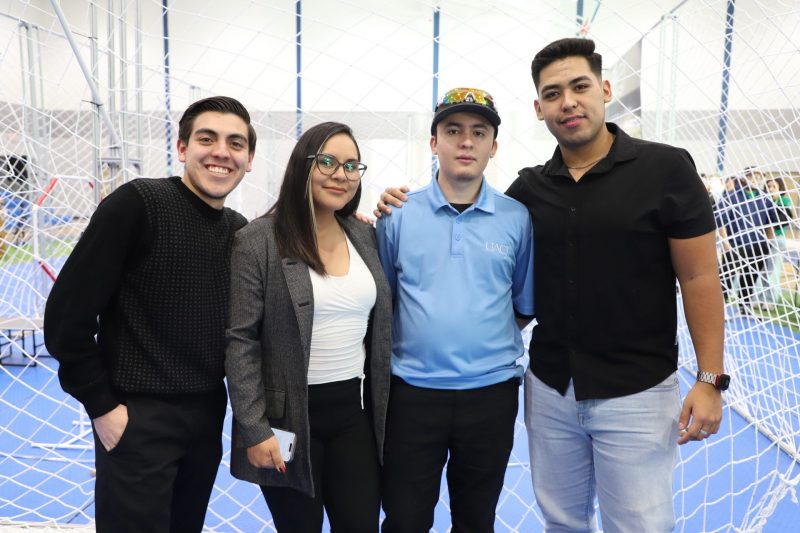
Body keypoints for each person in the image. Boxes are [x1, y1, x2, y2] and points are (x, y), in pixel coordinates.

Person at [378, 39, 726, 533]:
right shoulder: (528, 191)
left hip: (635, 391)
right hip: (550, 389)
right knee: (561, 522)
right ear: (539, 108)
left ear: (605, 90)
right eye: (553, 93)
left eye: (580, 86)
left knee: (640, 526)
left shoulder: (665, 169)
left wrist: (710, 379)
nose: (569, 102)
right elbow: (481, 276)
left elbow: (699, 276)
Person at [43, 96, 255, 533]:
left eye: (235, 143)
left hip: (206, 417)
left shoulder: (238, 230)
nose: (221, 152)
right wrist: (103, 407)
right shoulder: (139, 203)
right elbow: (66, 318)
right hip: (137, 418)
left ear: (248, 159)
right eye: (207, 139)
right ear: (182, 148)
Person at [375, 88, 534, 532]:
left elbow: (522, 303)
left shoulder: (516, 218)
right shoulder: (397, 214)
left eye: (479, 133)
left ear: (493, 146)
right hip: (412, 395)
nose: (466, 142)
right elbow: (386, 301)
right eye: (453, 131)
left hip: (491, 395)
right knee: (404, 520)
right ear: (434, 142)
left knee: (476, 520)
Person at [224, 121, 392, 533]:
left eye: (351, 166)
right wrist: (254, 429)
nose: (341, 175)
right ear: (303, 165)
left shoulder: (364, 235)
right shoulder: (258, 240)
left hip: (353, 416)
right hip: (286, 422)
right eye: (328, 161)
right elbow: (241, 341)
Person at [715, 169, 778, 315]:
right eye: (752, 176)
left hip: (757, 245)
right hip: (736, 243)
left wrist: (768, 242)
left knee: (750, 277)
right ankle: (720, 307)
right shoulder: (732, 196)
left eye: (760, 177)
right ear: (745, 178)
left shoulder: (765, 198)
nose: (756, 180)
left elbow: (771, 222)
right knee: (727, 276)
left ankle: (745, 307)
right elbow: (721, 221)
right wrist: (725, 243)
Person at [760, 176, 794, 309]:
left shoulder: (784, 201)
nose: (771, 189)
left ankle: (770, 300)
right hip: (763, 238)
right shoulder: (763, 201)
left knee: (772, 270)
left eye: (774, 187)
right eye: (768, 186)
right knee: (762, 270)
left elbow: (783, 220)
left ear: (780, 189)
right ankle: (760, 298)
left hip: (777, 239)